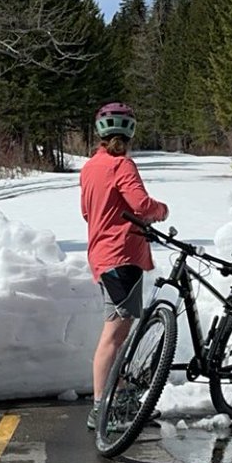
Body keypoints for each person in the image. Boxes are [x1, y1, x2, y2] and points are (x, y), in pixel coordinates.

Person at [79, 101, 169, 431]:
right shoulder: (122, 166)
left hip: (101, 254)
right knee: (115, 333)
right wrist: (162, 210)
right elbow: (141, 205)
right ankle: (101, 406)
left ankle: (117, 400)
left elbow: (87, 212)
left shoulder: (91, 167)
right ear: (130, 132)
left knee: (118, 329)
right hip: (122, 255)